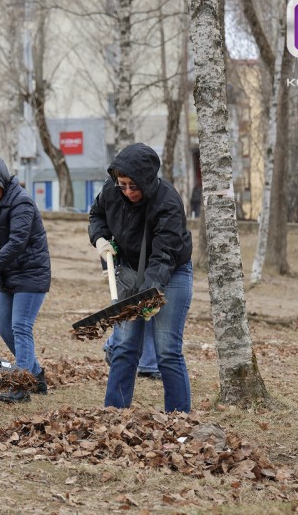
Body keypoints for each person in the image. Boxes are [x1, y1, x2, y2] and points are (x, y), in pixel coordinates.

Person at [89, 143, 193, 412]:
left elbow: (165, 256)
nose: (127, 191)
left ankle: (178, 417)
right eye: (122, 184)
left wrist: (147, 296)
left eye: (133, 186)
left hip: (171, 272)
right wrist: (99, 238)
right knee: (124, 346)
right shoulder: (112, 191)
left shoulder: (167, 202)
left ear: (147, 181)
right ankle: (113, 413)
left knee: (167, 350)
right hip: (130, 269)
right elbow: (96, 215)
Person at [0, 156, 50, 404]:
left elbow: (16, 243)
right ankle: (36, 376)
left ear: (3, 182)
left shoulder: (22, 203)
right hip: (9, 275)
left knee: (21, 327)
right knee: (6, 328)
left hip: (31, 274)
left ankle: (21, 385)